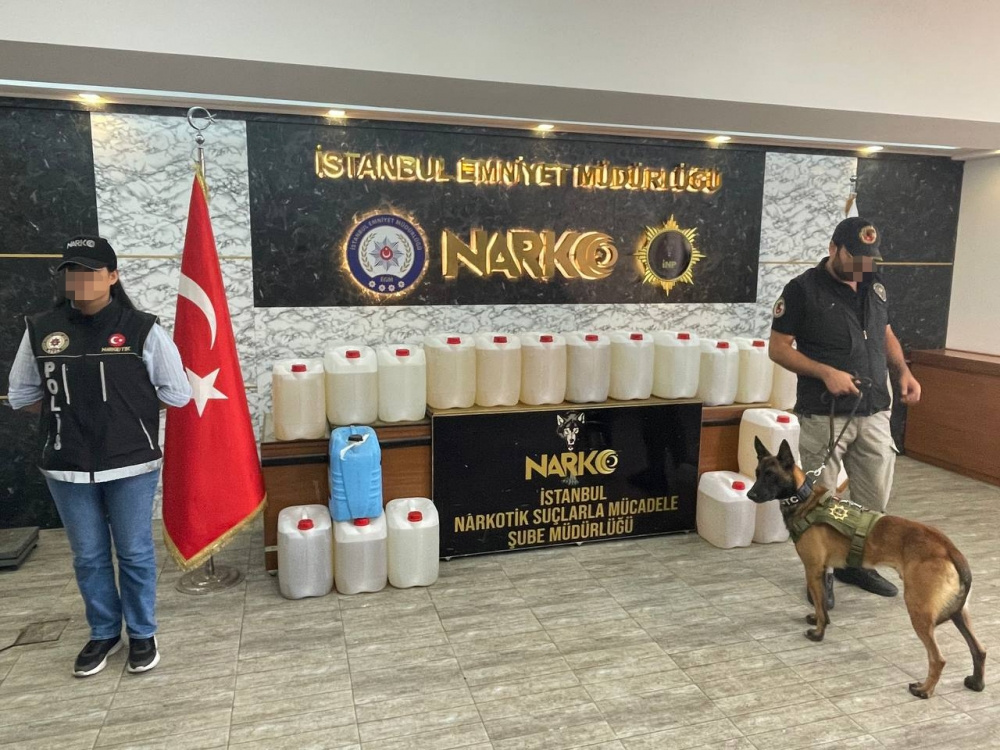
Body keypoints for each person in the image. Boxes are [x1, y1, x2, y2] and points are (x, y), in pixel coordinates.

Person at [7, 236, 191, 677]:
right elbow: (21, 395)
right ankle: (104, 632)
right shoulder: (41, 328)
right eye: (72, 272)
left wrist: (126, 413)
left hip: (130, 463)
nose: (81, 280)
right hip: (66, 464)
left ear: (112, 276)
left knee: (134, 552)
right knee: (88, 556)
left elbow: (177, 393)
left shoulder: (142, 328)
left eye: (90, 271)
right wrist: (72, 413)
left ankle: (142, 633)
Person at [768, 216, 921, 604]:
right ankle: (820, 574)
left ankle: (856, 565)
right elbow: (778, 349)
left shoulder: (875, 284)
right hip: (826, 414)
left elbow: (885, 333)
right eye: (855, 258)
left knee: (874, 500)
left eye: (868, 259)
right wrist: (825, 372)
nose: (862, 266)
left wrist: (902, 371)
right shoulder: (802, 290)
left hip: (874, 410)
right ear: (834, 248)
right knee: (820, 503)